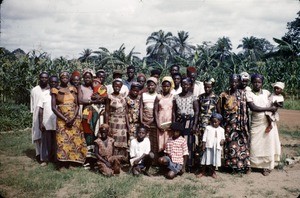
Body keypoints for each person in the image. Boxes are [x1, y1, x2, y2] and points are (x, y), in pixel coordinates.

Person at [246, 74, 281, 176]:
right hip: (256, 122)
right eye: (255, 82)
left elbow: (275, 103)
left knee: (267, 143)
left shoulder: (266, 93)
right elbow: (253, 108)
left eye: (259, 82)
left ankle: (266, 166)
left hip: (267, 121)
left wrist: (273, 110)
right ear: (252, 82)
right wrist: (269, 109)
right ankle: (252, 165)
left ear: (262, 83)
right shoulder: (249, 94)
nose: (257, 84)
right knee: (254, 143)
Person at [51, 71, 87, 168]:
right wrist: (65, 119)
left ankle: (72, 162)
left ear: (68, 78)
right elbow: (54, 108)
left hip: (74, 119)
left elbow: (77, 105)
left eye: (66, 77)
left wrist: (73, 118)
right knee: (62, 141)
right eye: (63, 77)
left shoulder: (73, 89)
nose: (65, 79)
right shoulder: (55, 90)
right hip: (61, 119)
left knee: (74, 141)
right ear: (60, 78)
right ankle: (62, 163)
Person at [218, 74, 250, 173]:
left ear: (239, 82)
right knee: (230, 145)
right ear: (229, 82)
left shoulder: (243, 94)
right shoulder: (224, 94)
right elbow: (219, 107)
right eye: (232, 81)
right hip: (229, 124)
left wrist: (246, 122)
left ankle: (242, 165)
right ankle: (230, 166)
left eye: (236, 82)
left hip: (241, 124)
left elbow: (247, 110)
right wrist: (222, 119)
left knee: (241, 145)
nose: (234, 84)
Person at [173, 77, 199, 172]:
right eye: (183, 84)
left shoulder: (193, 96)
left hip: (189, 122)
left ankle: (189, 165)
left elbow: (196, 111)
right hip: (180, 123)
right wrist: (175, 123)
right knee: (179, 143)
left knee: (188, 144)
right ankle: (179, 164)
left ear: (190, 85)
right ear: (181, 85)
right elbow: (174, 112)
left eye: (187, 84)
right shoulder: (176, 97)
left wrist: (195, 124)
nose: (185, 86)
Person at [77, 68, 97, 169]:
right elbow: (80, 100)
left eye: (89, 77)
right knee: (87, 134)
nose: (88, 79)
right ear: (83, 78)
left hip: (95, 114)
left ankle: (93, 160)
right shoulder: (81, 87)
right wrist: (90, 102)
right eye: (86, 77)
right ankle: (85, 159)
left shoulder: (95, 87)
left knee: (94, 135)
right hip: (85, 114)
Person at [197, 78, 219, 165]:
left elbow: (218, 112)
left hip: (212, 125)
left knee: (212, 145)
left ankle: (211, 167)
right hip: (202, 124)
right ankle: (201, 166)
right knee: (201, 144)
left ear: (212, 87)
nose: (207, 89)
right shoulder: (201, 97)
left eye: (209, 87)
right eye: (205, 87)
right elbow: (198, 112)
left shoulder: (216, 98)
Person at [105, 78, 129, 159]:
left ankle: (120, 160)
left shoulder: (124, 97)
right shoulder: (109, 97)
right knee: (113, 140)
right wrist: (106, 125)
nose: (117, 87)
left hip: (122, 123)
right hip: (112, 122)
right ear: (112, 86)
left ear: (121, 86)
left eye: (119, 86)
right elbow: (107, 112)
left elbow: (126, 112)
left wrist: (128, 126)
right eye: (115, 86)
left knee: (121, 141)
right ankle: (112, 158)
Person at [37, 75, 58, 166]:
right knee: (45, 141)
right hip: (46, 122)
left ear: (58, 83)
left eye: (55, 82)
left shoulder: (60, 94)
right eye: (52, 82)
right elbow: (40, 109)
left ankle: (54, 158)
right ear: (49, 83)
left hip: (57, 122)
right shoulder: (44, 94)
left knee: (56, 141)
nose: (53, 84)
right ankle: (45, 159)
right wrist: (40, 122)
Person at [197, 113, 225, 179]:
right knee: (205, 159)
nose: (214, 123)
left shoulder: (221, 130)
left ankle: (212, 172)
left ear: (219, 122)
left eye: (216, 122)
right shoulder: (208, 128)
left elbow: (223, 138)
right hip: (209, 146)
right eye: (212, 122)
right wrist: (203, 145)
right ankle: (203, 172)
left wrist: (222, 141)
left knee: (214, 160)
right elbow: (204, 137)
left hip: (217, 146)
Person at [30, 71, 49, 162]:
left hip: (48, 114)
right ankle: (38, 154)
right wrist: (34, 114)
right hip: (37, 113)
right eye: (42, 77)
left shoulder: (50, 89)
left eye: (46, 77)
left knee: (46, 134)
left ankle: (46, 153)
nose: (44, 79)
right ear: (39, 78)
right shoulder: (34, 90)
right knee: (37, 134)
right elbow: (33, 104)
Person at [154, 76, 174, 156]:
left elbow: (174, 111)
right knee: (161, 139)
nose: (166, 88)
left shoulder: (173, 97)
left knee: (168, 140)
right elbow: (155, 111)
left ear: (170, 87)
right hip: (161, 120)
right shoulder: (158, 96)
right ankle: (160, 160)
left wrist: (172, 124)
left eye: (167, 86)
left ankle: (167, 161)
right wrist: (158, 124)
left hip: (169, 120)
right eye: (164, 86)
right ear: (162, 86)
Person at [140, 77, 158, 162]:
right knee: (144, 140)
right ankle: (143, 160)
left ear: (155, 86)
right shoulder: (143, 95)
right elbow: (141, 108)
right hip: (144, 121)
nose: (150, 87)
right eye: (149, 85)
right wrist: (141, 121)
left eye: (152, 85)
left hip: (154, 121)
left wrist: (152, 120)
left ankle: (153, 160)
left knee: (153, 140)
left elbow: (158, 110)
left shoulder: (158, 96)